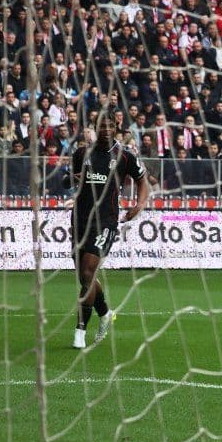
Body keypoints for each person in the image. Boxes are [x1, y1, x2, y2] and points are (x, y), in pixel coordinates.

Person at [65, 110, 150, 349]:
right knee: (84, 276)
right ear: (95, 128)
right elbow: (67, 180)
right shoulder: (82, 153)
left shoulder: (124, 156)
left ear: (116, 127)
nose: (106, 131)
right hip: (80, 220)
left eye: (110, 126)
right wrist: (73, 179)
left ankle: (80, 330)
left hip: (106, 221)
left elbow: (143, 179)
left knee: (89, 272)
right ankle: (105, 313)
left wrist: (140, 204)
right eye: (102, 126)